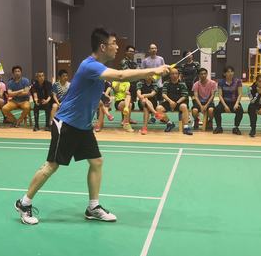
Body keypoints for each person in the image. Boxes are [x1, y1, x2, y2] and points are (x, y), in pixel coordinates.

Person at [14, 27, 170, 225]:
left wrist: (106, 97)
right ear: (103, 47)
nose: (117, 47)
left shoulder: (98, 68)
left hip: (83, 126)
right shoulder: (90, 65)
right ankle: (24, 203)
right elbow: (121, 76)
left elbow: (100, 86)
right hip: (67, 123)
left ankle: (93, 207)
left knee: (96, 162)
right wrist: (154, 70)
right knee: (51, 166)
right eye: (114, 44)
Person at [156, 67, 192, 135]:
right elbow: (163, 94)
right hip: (169, 102)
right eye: (172, 74)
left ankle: (186, 127)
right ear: (170, 75)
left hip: (180, 102)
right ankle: (169, 123)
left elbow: (185, 95)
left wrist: (177, 103)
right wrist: (170, 102)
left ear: (178, 75)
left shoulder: (182, 83)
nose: (174, 75)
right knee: (158, 109)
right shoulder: (166, 83)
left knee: (184, 106)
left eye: (176, 73)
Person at [213, 65, 243, 135]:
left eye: (232, 71)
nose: (230, 73)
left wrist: (236, 104)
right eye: (228, 72)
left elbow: (240, 94)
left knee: (240, 110)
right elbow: (220, 95)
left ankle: (236, 127)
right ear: (224, 74)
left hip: (234, 102)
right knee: (217, 109)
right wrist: (225, 106)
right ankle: (219, 127)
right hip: (224, 102)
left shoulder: (238, 81)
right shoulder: (221, 82)